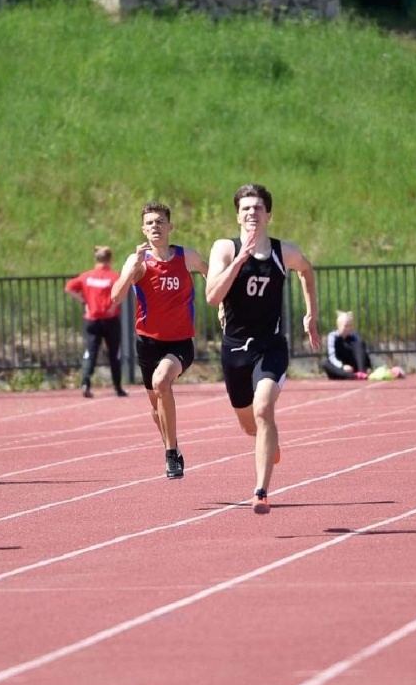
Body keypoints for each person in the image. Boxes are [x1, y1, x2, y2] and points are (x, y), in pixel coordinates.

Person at [205, 183, 322, 514]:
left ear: (268, 214)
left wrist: (311, 314)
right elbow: (212, 297)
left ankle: (261, 491)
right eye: (245, 208)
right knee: (248, 424)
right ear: (237, 215)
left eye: (257, 208)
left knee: (263, 409)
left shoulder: (283, 252)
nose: (251, 213)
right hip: (234, 350)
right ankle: (268, 442)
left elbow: (307, 270)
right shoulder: (224, 249)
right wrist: (239, 261)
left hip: (271, 346)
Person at [110, 203, 208, 479]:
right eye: (150, 222)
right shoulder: (137, 261)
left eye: (161, 221)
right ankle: (172, 447)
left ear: (170, 227)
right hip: (148, 344)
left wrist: (223, 304)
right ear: (143, 229)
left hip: (180, 342)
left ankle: (170, 454)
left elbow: (209, 273)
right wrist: (131, 272)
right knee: (156, 410)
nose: (156, 226)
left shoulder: (186, 256)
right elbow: (115, 297)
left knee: (162, 381)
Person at [65, 246, 126, 398]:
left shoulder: (86, 276)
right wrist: (113, 306)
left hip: (91, 319)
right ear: (110, 260)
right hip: (110, 319)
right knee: (114, 353)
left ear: (96, 259)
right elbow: (122, 291)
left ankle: (85, 382)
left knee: (90, 352)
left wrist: (83, 301)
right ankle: (118, 387)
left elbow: (69, 288)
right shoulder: (113, 277)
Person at [322, 311, 372, 379]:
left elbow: (362, 352)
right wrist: (342, 366)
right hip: (341, 368)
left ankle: (362, 373)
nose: (348, 328)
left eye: (350, 326)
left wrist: (368, 366)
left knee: (359, 343)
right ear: (338, 326)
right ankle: (351, 376)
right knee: (325, 363)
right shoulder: (332, 337)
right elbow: (332, 356)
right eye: (346, 326)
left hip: (353, 367)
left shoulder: (355, 336)